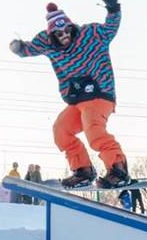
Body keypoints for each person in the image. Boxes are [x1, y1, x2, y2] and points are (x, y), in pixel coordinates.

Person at [10, 1, 131, 189]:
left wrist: (113, 8)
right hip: (77, 100)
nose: (65, 36)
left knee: (94, 131)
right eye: (59, 34)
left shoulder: (90, 35)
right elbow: (30, 49)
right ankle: (83, 170)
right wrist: (18, 48)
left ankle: (118, 169)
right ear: (52, 35)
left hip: (100, 93)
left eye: (67, 31)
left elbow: (110, 28)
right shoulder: (46, 42)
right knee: (61, 130)